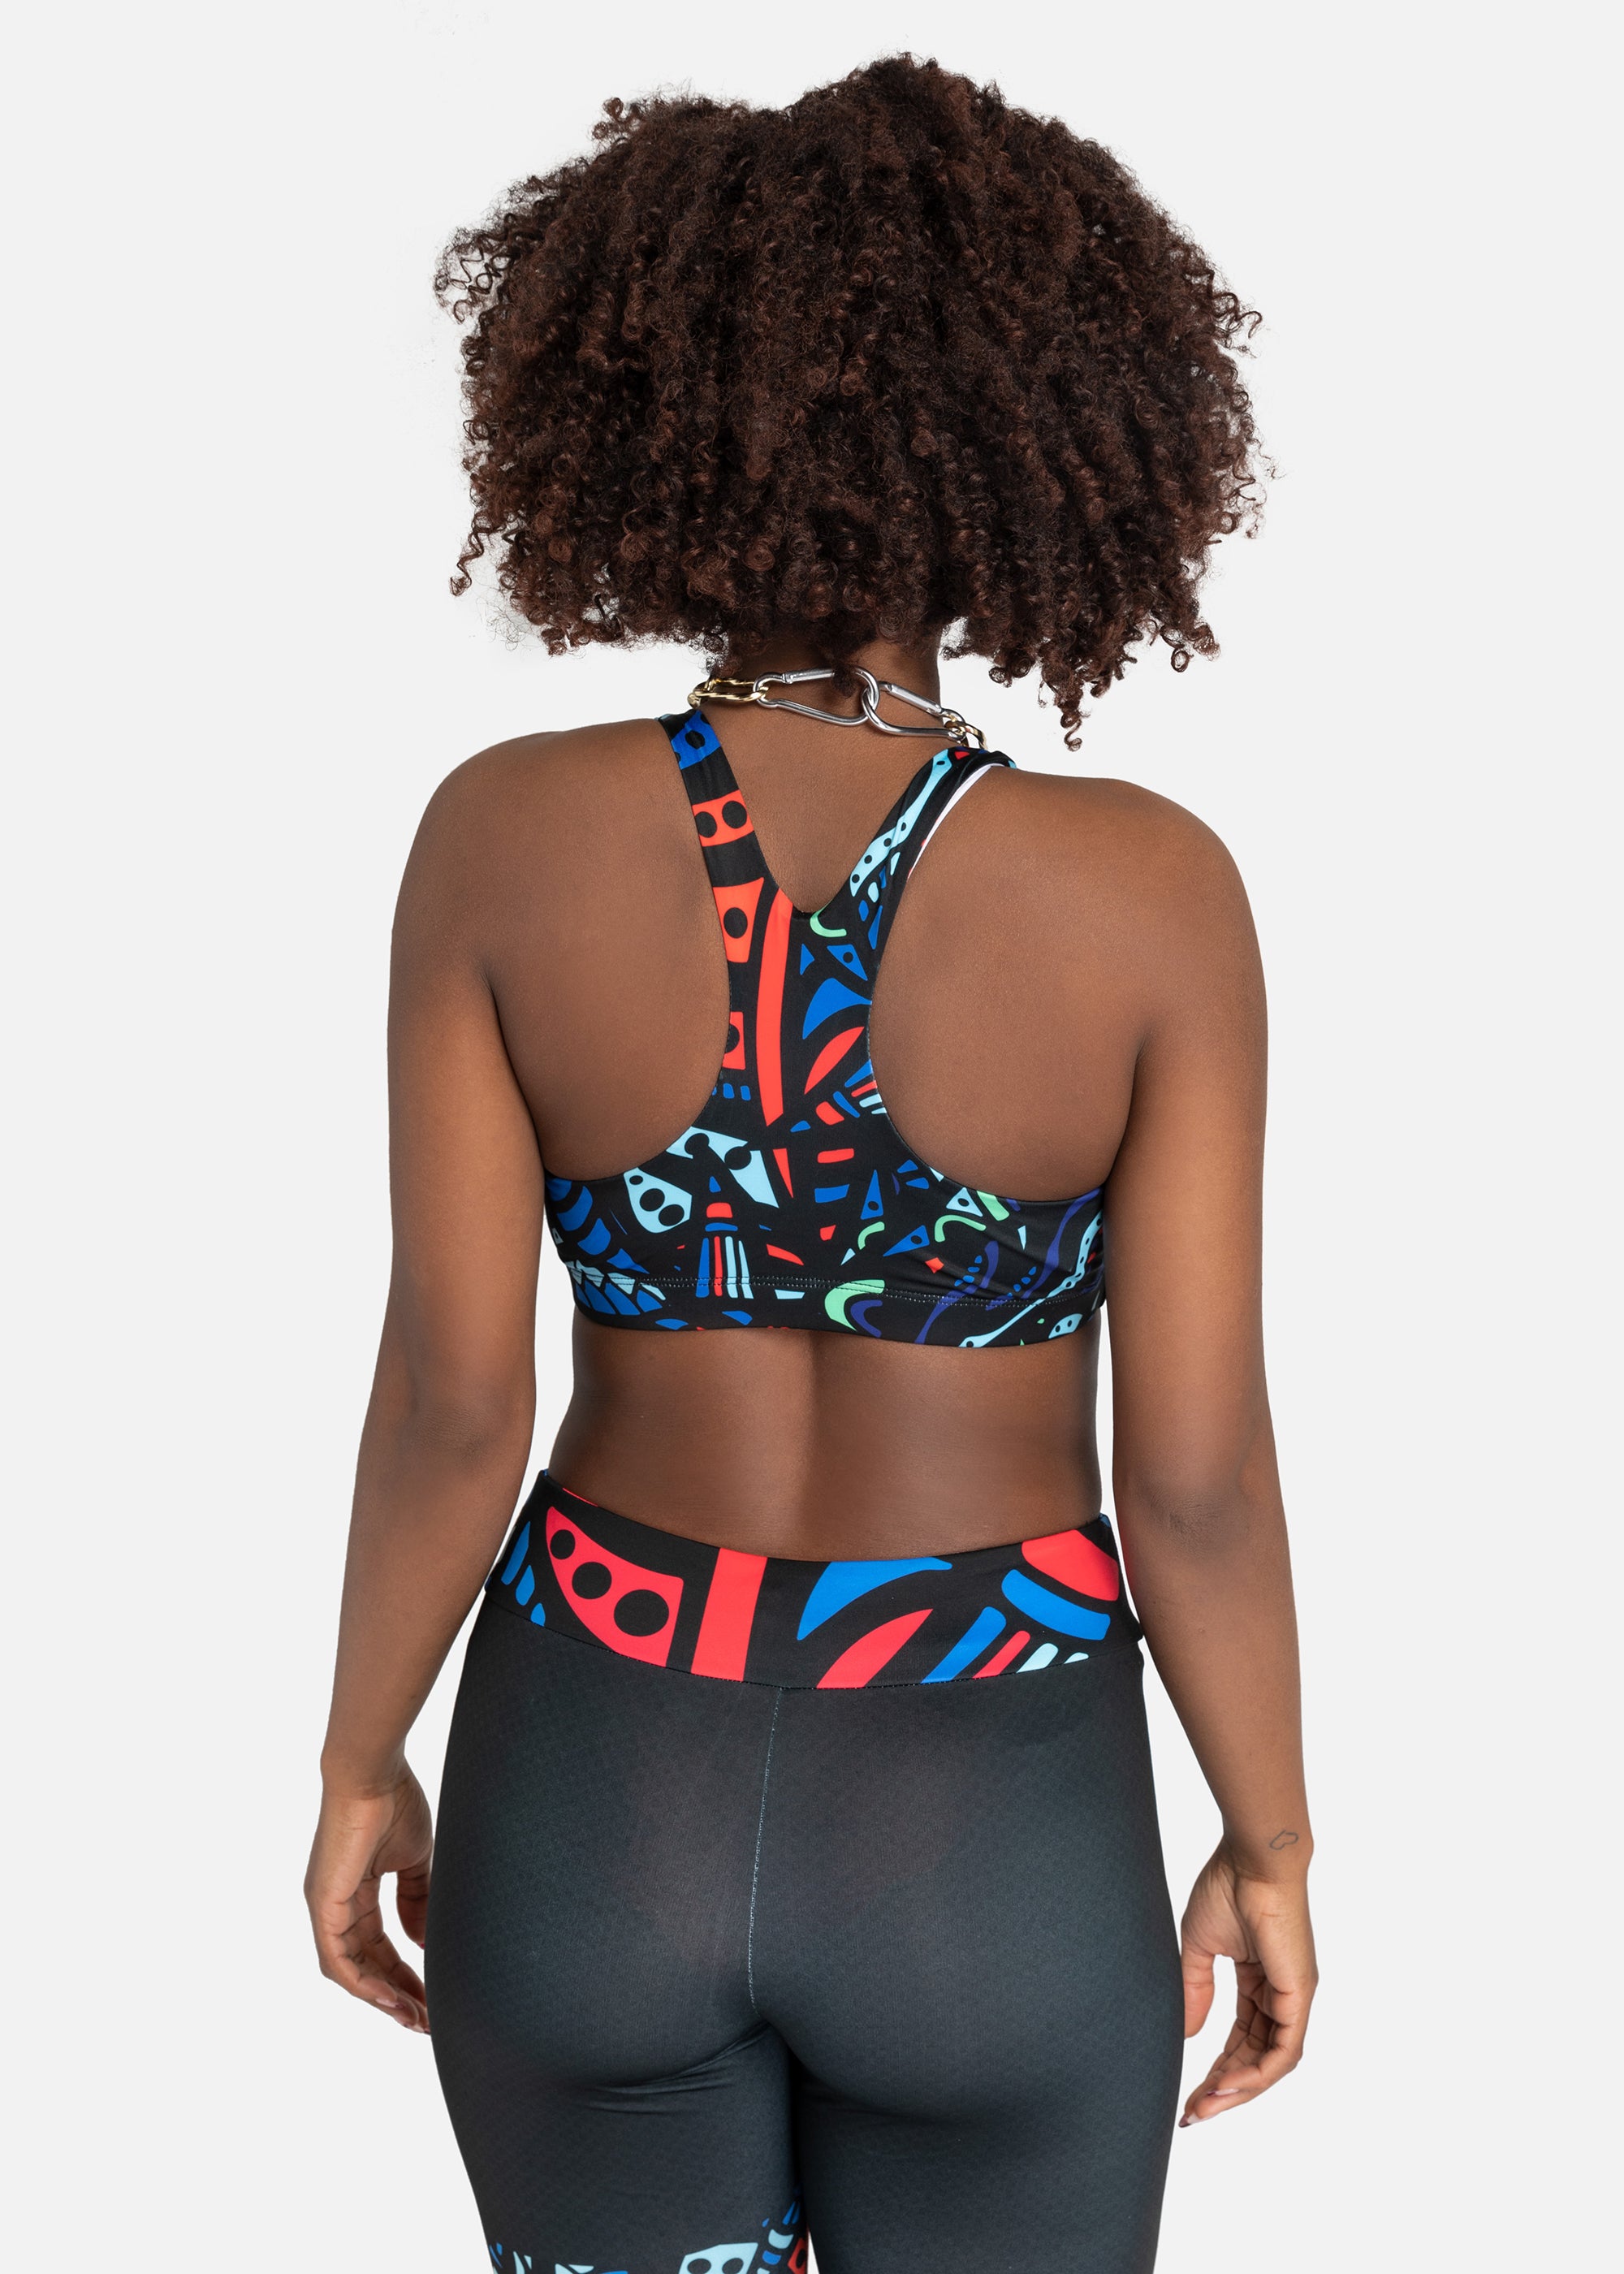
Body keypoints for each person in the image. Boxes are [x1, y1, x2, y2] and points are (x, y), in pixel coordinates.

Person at [305, 55, 1316, 2274]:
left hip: (594, 1787)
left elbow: (458, 1404)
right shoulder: (1149, 894)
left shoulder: (502, 840)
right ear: (1042, 430)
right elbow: (1198, 1477)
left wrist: (361, 1757)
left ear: (636, 420)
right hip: (992, 1817)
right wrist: (1271, 1836)